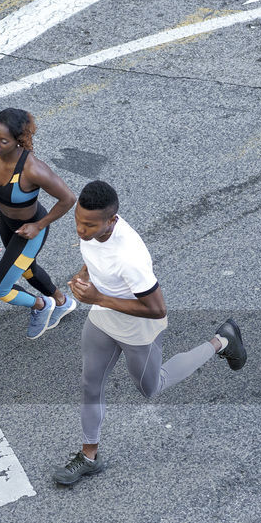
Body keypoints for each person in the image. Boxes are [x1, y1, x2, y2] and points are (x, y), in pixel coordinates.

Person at [52, 180, 247, 486]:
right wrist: (84, 273)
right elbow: (93, 252)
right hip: (103, 320)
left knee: (152, 387)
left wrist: (97, 298)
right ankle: (88, 457)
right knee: (91, 384)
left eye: (88, 225)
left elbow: (157, 309)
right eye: (78, 221)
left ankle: (222, 341)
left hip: (137, 329)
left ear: (112, 221)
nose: (81, 230)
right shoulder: (93, 226)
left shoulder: (131, 258)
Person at [0, 108, 79, 338]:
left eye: (4, 140)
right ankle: (61, 302)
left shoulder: (33, 169)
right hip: (7, 222)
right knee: (28, 269)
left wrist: (38, 226)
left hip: (31, 229)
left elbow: (68, 199)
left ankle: (41, 305)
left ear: (18, 141)